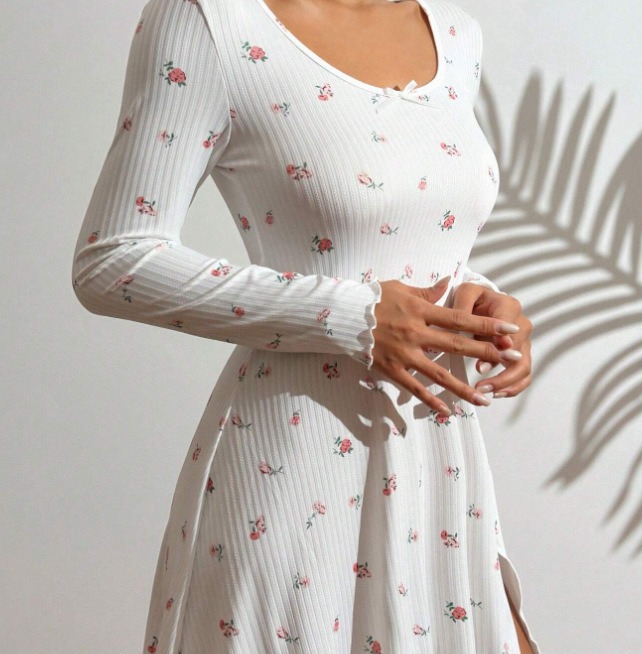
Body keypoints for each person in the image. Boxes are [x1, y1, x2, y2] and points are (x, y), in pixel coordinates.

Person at [71, 0, 541, 652]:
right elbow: (113, 260)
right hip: (293, 471)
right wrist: (351, 316)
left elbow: (410, 229)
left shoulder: (455, 33)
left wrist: (480, 299)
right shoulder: (212, 21)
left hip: (437, 472)